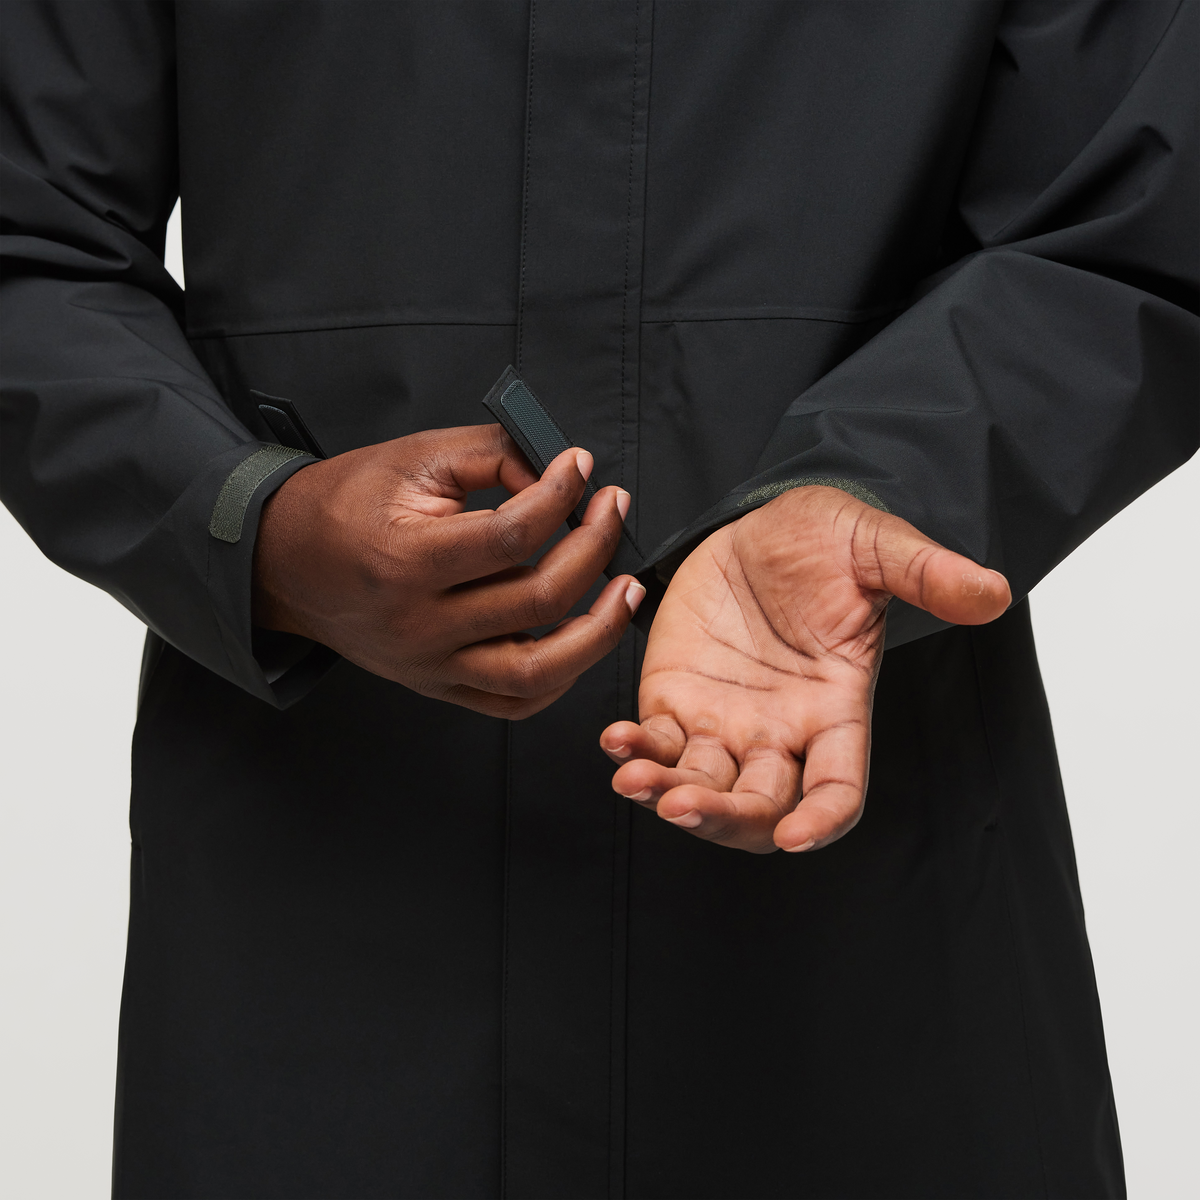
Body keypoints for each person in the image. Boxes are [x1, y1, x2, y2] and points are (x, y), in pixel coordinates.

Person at [2, 1, 1195, 1196]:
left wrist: (888, 474)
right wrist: (253, 524)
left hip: (865, 951)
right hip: (316, 931)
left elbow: (1143, 211)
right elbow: (30, 239)